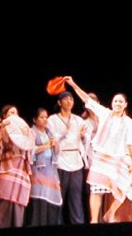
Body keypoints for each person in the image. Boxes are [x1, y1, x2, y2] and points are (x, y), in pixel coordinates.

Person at [63, 77, 132, 223]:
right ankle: (94, 220)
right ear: (112, 103)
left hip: (118, 158)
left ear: (125, 104)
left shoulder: (129, 122)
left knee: (127, 187)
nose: (118, 103)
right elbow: (87, 99)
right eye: (116, 101)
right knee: (96, 189)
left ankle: (110, 213)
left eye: (121, 102)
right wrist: (72, 84)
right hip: (101, 156)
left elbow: (130, 144)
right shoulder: (105, 113)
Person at [47, 91, 89, 225]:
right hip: (61, 160)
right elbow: (51, 139)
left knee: (76, 198)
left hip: (76, 161)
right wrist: (64, 132)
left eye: (71, 99)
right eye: (66, 99)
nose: (69, 101)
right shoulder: (52, 120)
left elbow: (86, 141)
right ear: (59, 102)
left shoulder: (78, 120)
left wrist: (83, 136)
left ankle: (78, 222)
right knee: (59, 197)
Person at [0, 105, 33, 228]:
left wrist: (27, 133)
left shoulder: (22, 131)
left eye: (16, 113)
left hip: (19, 172)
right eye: (11, 112)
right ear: (4, 115)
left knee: (16, 209)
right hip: (4, 172)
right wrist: (0, 132)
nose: (14, 115)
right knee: (0, 209)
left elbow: (29, 149)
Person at [26, 108, 63, 226]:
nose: (45, 119)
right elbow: (31, 150)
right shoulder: (32, 132)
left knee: (50, 196)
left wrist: (55, 144)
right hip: (39, 168)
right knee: (39, 196)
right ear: (34, 119)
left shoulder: (49, 132)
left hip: (50, 167)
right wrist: (47, 145)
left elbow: (56, 151)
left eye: (46, 117)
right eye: (41, 117)